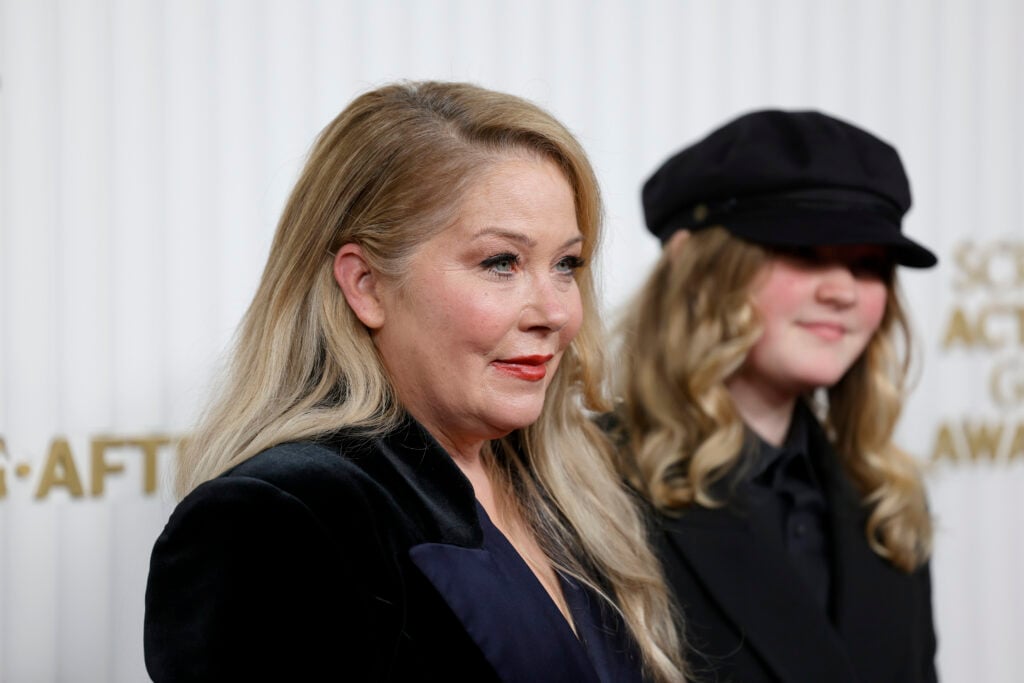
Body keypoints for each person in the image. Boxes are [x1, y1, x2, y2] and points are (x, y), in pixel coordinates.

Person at [143, 81, 686, 683]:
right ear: (367, 285)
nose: (556, 312)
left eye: (566, 265)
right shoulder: (278, 520)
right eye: (500, 263)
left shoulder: (570, 489)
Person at [611, 110, 938, 683]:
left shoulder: (886, 503)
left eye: (868, 266)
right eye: (804, 252)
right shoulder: (589, 484)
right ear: (697, 269)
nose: (840, 290)